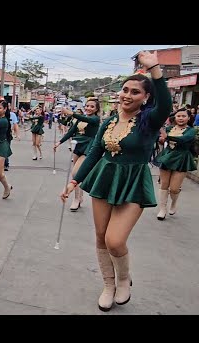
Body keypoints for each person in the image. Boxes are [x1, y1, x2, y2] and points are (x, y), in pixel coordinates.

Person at [60, 51, 172, 312]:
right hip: (105, 179)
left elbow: (165, 105)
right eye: (125, 90)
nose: (127, 95)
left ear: (145, 98)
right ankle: (108, 285)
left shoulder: (149, 120)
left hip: (133, 182)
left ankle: (123, 280)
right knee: (101, 237)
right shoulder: (109, 121)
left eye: (135, 92)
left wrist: (154, 68)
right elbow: (94, 153)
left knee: (115, 240)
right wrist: (74, 183)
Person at [54, 99, 101, 211]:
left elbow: (85, 119)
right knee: (76, 175)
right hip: (78, 145)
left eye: (92, 107)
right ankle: (79, 197)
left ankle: (76, 199)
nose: (89, 108)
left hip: (88, 147)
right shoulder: (80, 119)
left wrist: (72, 113)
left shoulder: (95, 119)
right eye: (87, 106)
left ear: (96, 109)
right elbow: (71, 131)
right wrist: (59, 142)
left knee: (75, 173)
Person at [155, 107, 197, 220]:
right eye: (178, 116)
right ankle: (162, 209)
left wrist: (166, 136)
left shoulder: (191, 131)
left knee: (174, 188)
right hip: (167, 156)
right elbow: (160, 139)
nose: (181, 118)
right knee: (164, 184)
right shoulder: (169, 128)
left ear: (188, 118)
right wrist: (161, 139)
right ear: (175, 117)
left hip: (182, 158)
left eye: (184, 116)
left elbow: (184, 139)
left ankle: (173, 203)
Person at [4, 104, 20, 171]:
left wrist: (17, 134)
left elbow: (15, 125)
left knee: (6, 149)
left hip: (8, 135)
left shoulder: (12, 115)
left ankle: (6, 164)